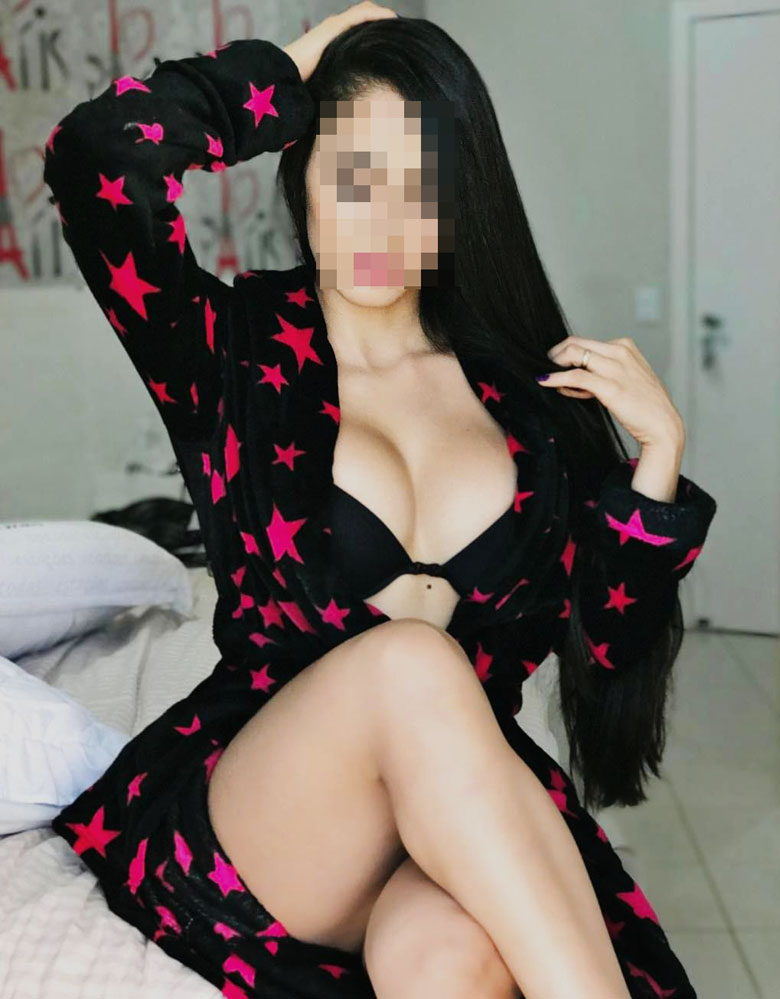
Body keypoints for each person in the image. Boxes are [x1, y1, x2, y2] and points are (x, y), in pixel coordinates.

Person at [42, 4, 717, 997]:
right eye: (352, 176)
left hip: (442, 818)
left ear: (462, 203)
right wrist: (292, 65)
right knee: (409, 660)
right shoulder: (225, 349)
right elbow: (97, 155)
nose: (381, 221)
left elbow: (605, 660)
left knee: (450, 957)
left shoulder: (529, 396)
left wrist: (655, 466)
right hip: (268, 811)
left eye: (418, 189)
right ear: (301, 175)